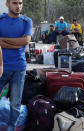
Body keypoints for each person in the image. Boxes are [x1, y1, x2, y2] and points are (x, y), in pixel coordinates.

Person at [0, 0, 33, 131]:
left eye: (20, 3)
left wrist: (3, 41)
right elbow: (21, 42)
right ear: (7, 4)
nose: (18, 6)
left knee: (15, 104)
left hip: (19, 68)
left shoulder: (26, 21)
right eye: (14, 3)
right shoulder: (1, 20)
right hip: (1, 66)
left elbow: (26, 40)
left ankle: (11, 128)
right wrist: (17, 44)